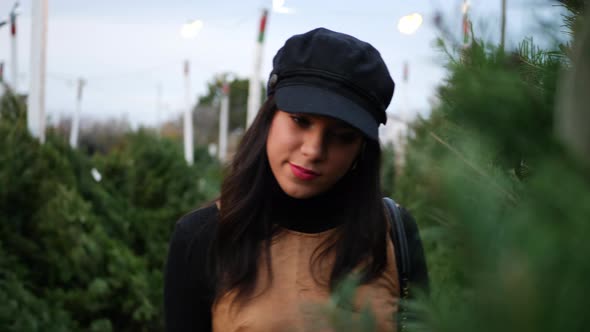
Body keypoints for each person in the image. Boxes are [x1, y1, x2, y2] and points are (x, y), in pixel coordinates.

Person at [164, 27, 428, 332]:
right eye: (301, 121)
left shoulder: (394, 235)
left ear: (361, 151)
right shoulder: (203, 237)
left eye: (342, 136)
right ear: (268, 117)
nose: (314, 150)